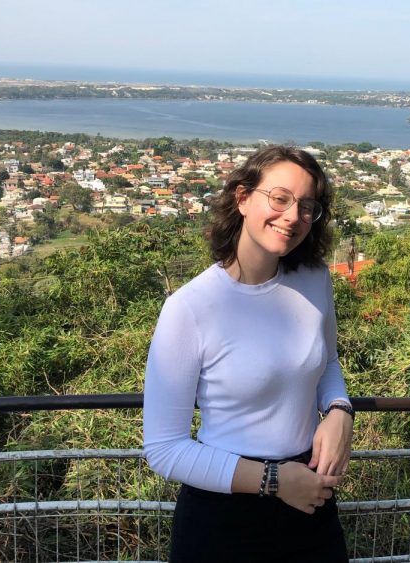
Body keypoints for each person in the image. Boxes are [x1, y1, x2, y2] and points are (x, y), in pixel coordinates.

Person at [143, 145, 354, 563]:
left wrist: (339, 409)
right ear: (242, 198)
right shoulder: (191, 308)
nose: (293, 216)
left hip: (309, 498)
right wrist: (274, 481)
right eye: (279, 198)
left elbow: (327, 360)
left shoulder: (314, 280)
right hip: (224, 512)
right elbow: (164, 449)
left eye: (307, 207)